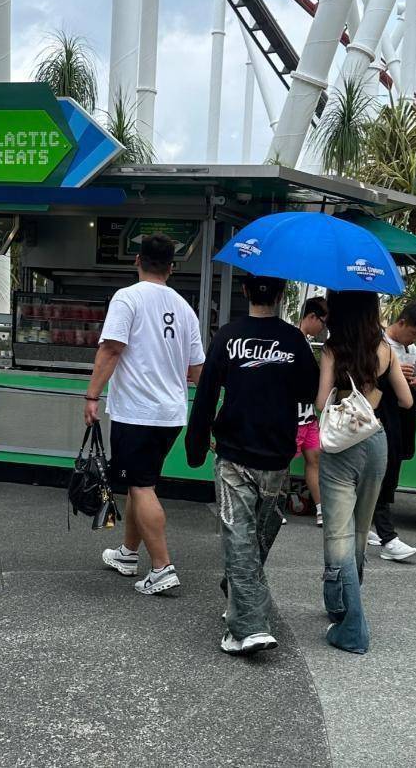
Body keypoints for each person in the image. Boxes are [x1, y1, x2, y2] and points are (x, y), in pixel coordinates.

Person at [185, 275, 319, 656]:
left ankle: (240, 600)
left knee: (248, 535)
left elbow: (207, 393)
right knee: (248, 534)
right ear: (282, 293)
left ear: (244, 291)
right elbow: (309, 392)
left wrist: (196, 444)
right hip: (277, 454)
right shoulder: (295, 341)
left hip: (235, 448)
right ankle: (248, 625)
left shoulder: (228, 336)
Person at [84, 233, 205, 594]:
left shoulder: (128, 297)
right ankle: (127, 553)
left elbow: (111, 350)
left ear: (137, 260)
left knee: (141, 486)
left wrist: (92, 395)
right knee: (141, 482)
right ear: (171, 267)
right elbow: (197, 369)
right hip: (171, 415)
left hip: (137, 413)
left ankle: (162, 568)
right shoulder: (185, 308)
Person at [316, 291, 413, 654]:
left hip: (341, 445)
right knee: (359, 530)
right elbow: (406, 400)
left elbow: (320, 402)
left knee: (337, 534)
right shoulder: (385, 349)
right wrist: (375, 392)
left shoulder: (332, 349)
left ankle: (353, 627)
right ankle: (340, 605)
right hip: (375, 442)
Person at [368, 302, 416, 560]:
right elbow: (369, 379)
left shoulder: (409, 347)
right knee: (383, 472)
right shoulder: (379, 343)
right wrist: (392, 372)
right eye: (414, 333)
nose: (415, 339)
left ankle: (365, 524)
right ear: (402, 322)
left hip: (400, 418)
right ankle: (388, 536)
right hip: (381, 415)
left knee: (388, 470)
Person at [296, 296, 328, 527]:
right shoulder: (294, 340)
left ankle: (320, 508)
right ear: (312, 317)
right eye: (323, 323)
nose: (322, 329)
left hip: (308, 415)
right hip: (294, 414)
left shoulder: (305, 342)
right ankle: (273, 505)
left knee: (314, 458)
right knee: (283, 462)